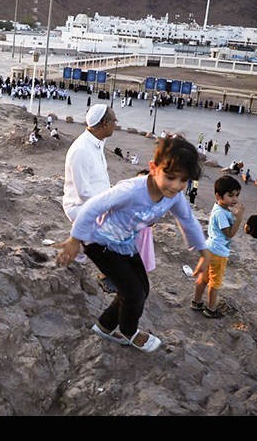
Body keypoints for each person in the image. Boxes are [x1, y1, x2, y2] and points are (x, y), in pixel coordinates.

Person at [56, 136, 213, 353]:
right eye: (170, 177)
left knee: (142, 289)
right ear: (153, 168)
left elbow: (187, 220)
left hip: (125, 244)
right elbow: (92, 207)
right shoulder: (131, 190)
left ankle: (104, 326)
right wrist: (75, 240)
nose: (176, 186)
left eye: (183, 180)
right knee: (133, 293)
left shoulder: (174, 196)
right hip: (99, 243)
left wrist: (204, 252)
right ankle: (129, 332)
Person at [192, 175, 244, 318]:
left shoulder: (220, 208)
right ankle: (211, 309)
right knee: (215, 283)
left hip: (209, 248)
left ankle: (197, 302)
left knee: (203, 278)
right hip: (218, 252)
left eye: (237, 195)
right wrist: (239, 219)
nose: (235, 199)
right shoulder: (221, 214)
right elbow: (229, 234)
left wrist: (233, 214)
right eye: (231, 195)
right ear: (218, 196)